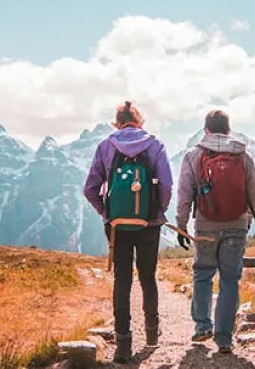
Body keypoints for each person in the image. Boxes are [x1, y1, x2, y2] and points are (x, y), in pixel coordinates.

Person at [83, 101, 173, 363]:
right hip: (149, 224)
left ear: (118, 123)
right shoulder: (155, 144)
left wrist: (106, 213)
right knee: (148, 276)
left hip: (117, 225)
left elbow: (90, 189)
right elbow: (166, 185)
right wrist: (157, 212)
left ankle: (123, 344)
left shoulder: (105, 146)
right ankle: (152, 334)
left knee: (122, 279)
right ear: (139, 122)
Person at [175, 109, 255, 354]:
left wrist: (181, 224)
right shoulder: (243, 155)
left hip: (205, 225)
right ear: (228, 130)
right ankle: (224, 338)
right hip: (236, 225)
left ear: (206, 130)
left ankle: (203, 326)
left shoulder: (194, 154)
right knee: (229, 279)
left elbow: (184, 193)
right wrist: (245, 219)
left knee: (203, 274)